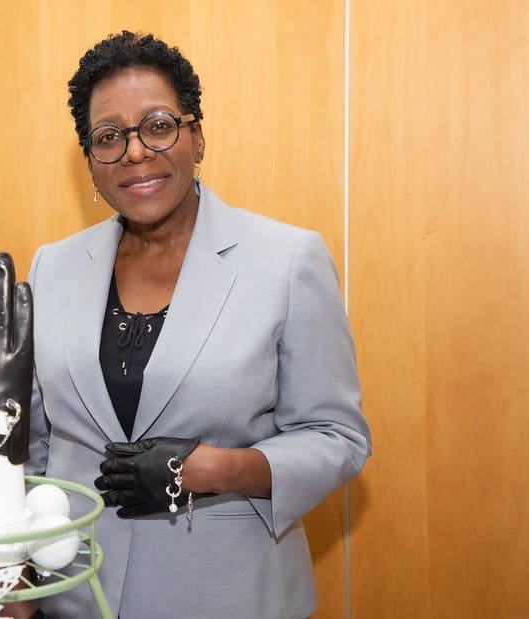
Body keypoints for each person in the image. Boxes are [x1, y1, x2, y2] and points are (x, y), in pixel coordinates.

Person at [24, 30, 372, 618]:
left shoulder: (287, 260)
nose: (134, 152)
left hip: (227, 594)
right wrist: (19, 571)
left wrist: (215, 469)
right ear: (90, 160)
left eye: (158, 125)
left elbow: (338, 438)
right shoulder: (50, 266)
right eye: (109, 137)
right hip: (77, 596)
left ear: (198, 135)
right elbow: (33, 446)